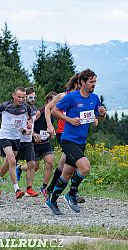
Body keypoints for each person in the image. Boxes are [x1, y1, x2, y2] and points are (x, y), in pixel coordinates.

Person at [45, 68, 106, 215]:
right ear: (82, 82)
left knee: (66, 173)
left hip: (81, 141)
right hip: (68, 140)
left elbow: (97, 117)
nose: (94, 85)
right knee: (85, 167)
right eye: (91, 82)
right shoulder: (71, 97)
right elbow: (54, 111)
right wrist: (70, 120)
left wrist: (102, 115)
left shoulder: (95, 98)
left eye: (95, 82)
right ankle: (71, 195)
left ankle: (51, 201)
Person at [45, 73, 85, 203]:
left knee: (65, 163)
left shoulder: (81, 98)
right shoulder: (63, 96)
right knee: (72, 161)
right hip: (63, 133)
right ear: (77, 83)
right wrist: (50, 125)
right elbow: (47, 108)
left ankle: (50, 189)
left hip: (75, 134)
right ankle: (70, 192)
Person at [0, 87, 32, 199]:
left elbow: (27, 120)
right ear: (13, 95)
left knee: (8, 163)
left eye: (23, 97)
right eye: (19, 97)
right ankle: (16, 189)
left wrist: (27, 128)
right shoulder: (5, 106)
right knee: (13, 161)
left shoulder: (26, 107)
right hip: (5, 136)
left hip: (17, 137)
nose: (21, 99)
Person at [16, 91, 57, 198]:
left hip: (45, 143)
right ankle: (20, 168)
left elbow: (49, 125)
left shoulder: (54, 111)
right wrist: (34, 134)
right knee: (35, 167)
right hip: (34, 144)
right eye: (55, 100)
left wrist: (51, 132)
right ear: (48, 101)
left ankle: (44, 187)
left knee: (50, 163)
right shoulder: (40, 112)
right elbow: (30, 124)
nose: (57, 103)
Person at [14, 87, 39, 197]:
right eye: (30, 97)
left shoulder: (34, 109)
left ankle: (29, 189)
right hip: (17, 139)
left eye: (34, 97)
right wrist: (23, 131)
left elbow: (31, 124)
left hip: (28, 141)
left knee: (32, 164)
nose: (32, 99)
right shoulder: (19, 108)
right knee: (9, 164)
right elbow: (14, 124)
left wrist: (33, 134)